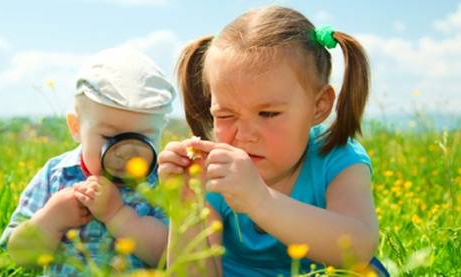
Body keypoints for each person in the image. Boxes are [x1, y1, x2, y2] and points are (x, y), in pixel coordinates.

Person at [158, 5, 388, 276]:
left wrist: (260, 201)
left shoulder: (338, 157)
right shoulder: (214, 172)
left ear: (319, 106)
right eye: (225, 114)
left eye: (268, 113)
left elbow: (359, 248)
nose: (244, 135)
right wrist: (184, 206)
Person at [0, 47, 176, 275]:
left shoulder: (162, 182)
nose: (127, 152)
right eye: (109, 137)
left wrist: (118, 215)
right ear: (76, 127)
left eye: (144, 137)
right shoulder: (57, 174)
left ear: (161, 129)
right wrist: (52, 219)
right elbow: (19, 255)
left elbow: (171, 256)